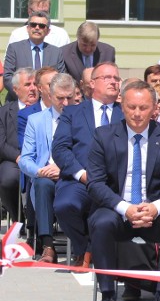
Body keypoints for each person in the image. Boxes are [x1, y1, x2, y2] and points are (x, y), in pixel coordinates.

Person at [87, 81, 160, 301]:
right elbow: (95, 184)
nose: (137, 113)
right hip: (117, 208)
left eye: (143, 107)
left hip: (155, 209)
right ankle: (109, 296)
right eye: (131, 107)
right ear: (122, 106)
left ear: (154, 108)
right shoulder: (104, 135)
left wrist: (155, 208)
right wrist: (126, 208)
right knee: (100, 224)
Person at [52, 62, 125, 268]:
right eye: (107, 77)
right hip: (80, 180)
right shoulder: (73, 112)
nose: (113, 81)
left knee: (105, 212)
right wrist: (81, 174)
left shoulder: (126, 113)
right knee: (64, 205)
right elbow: (60, 148)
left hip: (115, 183)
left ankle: (93, 251)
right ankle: (83, 247)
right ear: (92, 83)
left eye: (116, 78)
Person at [20, 73, 76, 263]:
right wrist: (39, 170)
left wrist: (65, 170)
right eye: (61, 98)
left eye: (70, 97)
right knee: (42, 184)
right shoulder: (36, 120)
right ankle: (48, 245)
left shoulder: (82, 119)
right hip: (45, 175)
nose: (66, 103)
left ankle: (80, 246)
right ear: (50, 96)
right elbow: (25, 158)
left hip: (73, 176)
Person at [0, 68, 37, 223]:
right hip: (14, 159)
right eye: (28, 84)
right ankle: (17, 218)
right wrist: (17, 157)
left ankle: (39, 224)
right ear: (15, 89)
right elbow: (1, 143)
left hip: (40, 160)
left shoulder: (47, 109)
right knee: (8, 179)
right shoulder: (4, 111)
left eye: (35, 84)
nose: (33, 88)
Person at [4, 11, 66, 100]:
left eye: (41, 26)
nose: (37, 28)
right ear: (28, 28)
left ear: (48, 31)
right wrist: (23, 95)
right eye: (33, 24)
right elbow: (7, 78)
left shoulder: (56, 52)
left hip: (47, 102)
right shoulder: (14, 49)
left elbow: (61, 79)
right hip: (19, 101)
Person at [5, 0, 70, 50]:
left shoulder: (61, 35)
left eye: (44, 13)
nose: (41, 16)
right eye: (37, 13)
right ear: (29, 11)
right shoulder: (17, 35)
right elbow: (9, 62)